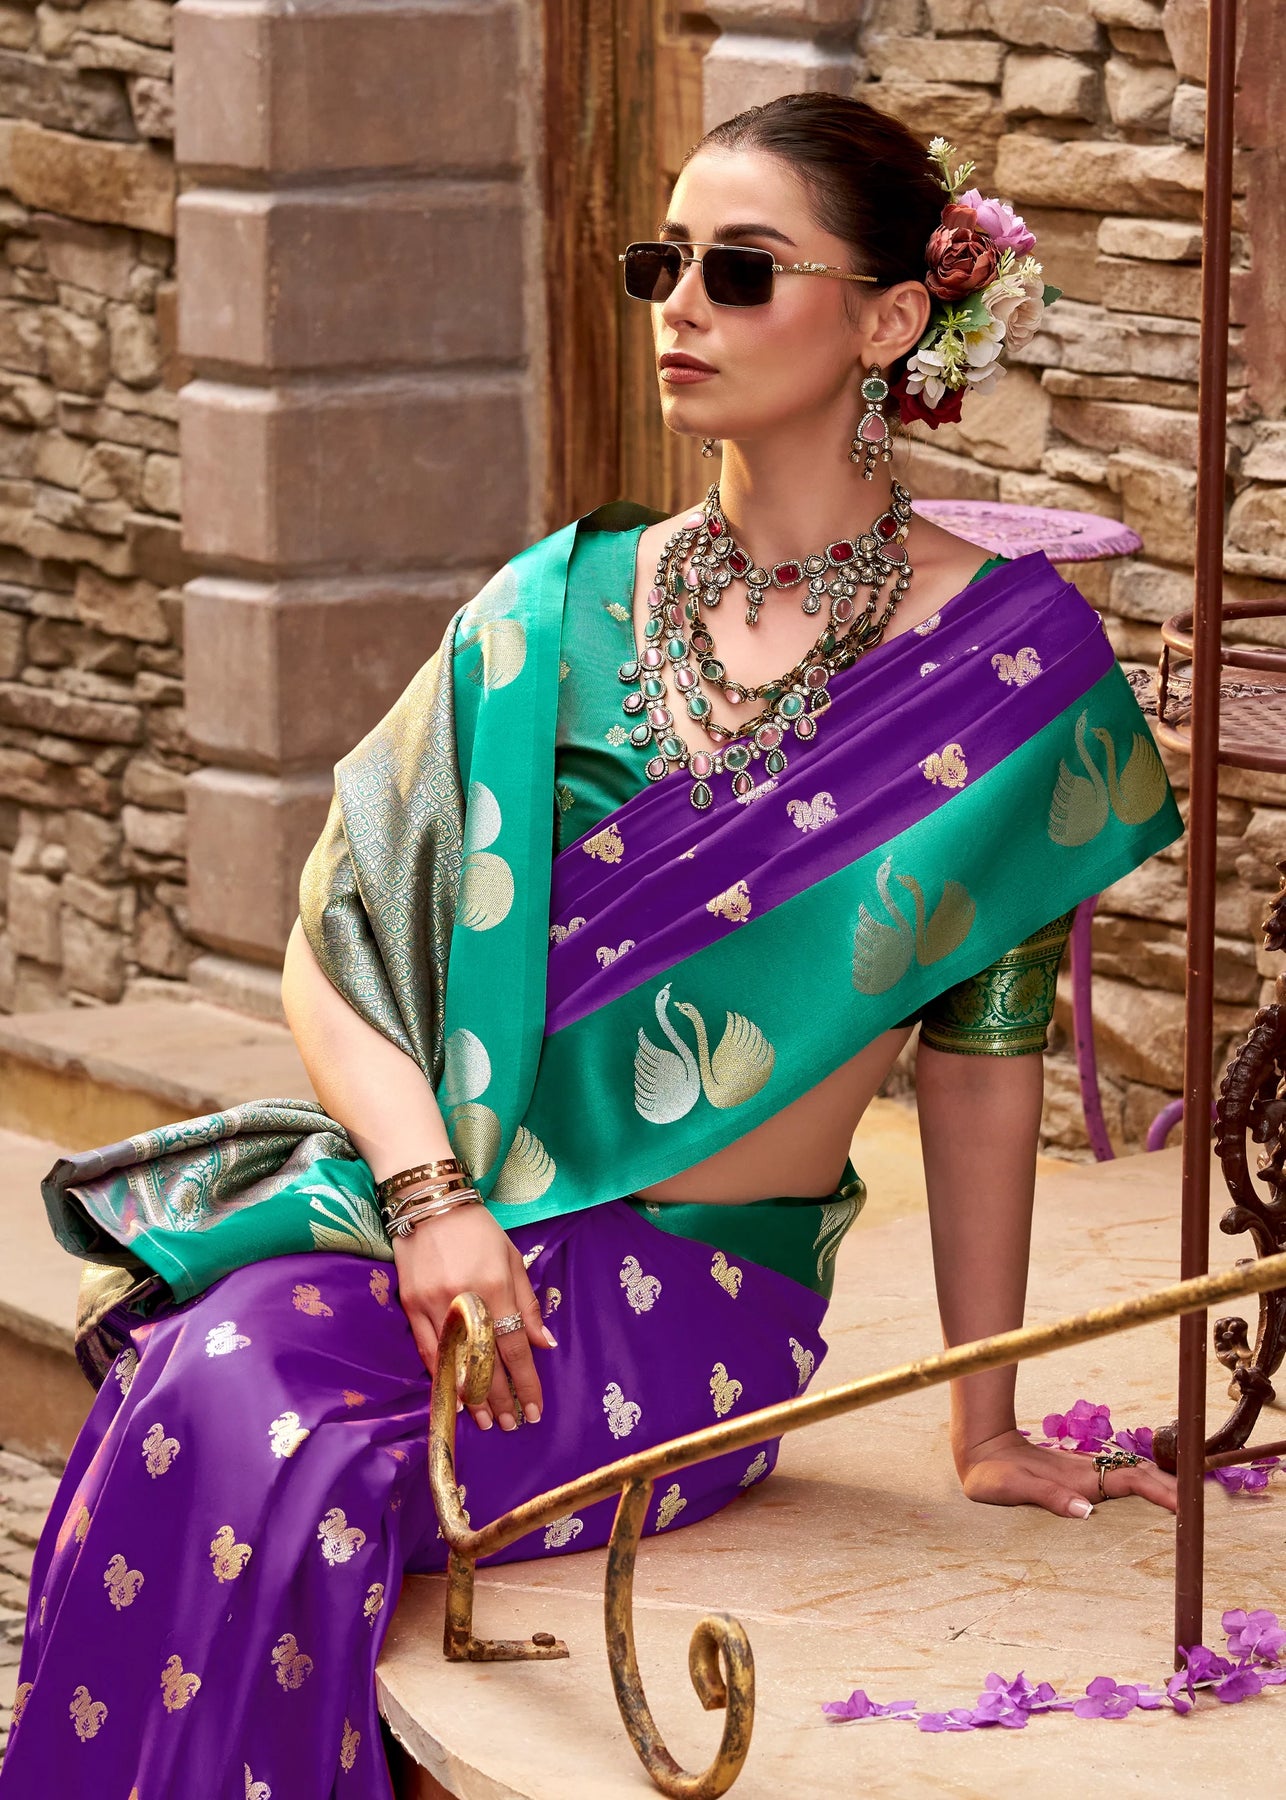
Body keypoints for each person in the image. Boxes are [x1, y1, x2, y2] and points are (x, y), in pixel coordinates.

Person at [3, 94, 1183, 1798]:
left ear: (888, 320)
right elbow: (338, 947)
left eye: (739, 269)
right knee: (200, 1375)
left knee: (267, 1419)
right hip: (450, 1225)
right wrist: (433, 1203)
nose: (678, 306)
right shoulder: (547, 611)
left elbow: (983, 1060)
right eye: (660, 263)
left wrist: (983, 1416)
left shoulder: (1009, 671)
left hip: (692, 1306)